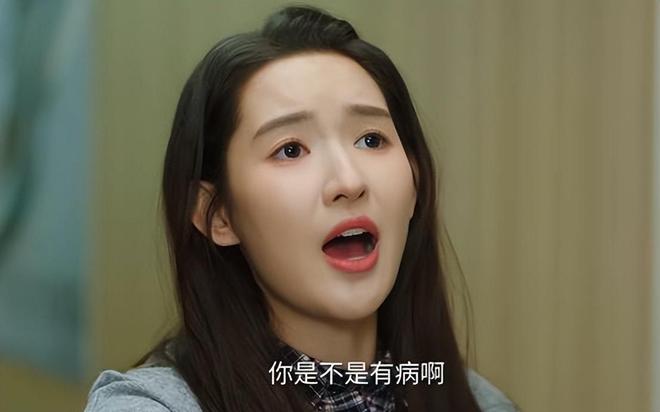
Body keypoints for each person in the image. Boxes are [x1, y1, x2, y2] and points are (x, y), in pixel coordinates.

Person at [84, 5, 518, 412]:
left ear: (415, 183)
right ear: (218, 215)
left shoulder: (482, 403)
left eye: (371, 139)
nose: (348, 181)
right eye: (290, 149)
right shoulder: (152, 404)